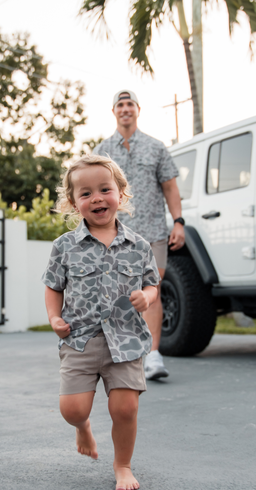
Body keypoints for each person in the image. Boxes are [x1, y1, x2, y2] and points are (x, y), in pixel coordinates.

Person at [42, 155, 160, 490]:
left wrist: (147, 297)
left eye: (104, 189)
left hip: (126, 338)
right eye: (85, 193)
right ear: (73, 202)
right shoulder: (64, 247)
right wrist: (54, 317)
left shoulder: (138, 246)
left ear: (120, 195)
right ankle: (83, 427)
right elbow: (53, 286)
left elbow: (153, 283)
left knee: (126, 408)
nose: (96, 198)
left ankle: (122, 464)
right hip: (79, 338)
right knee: (72, 409)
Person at [93, 90, 185, 380]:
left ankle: (153, 355)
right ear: (114, 112)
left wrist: (179, 222)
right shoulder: (102, 150)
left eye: (129, 104)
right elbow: (92, 191)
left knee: (151, 291)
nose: (125, 109)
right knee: (117, 294)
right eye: (120, 105)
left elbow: (170, 187)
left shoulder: (156, 148)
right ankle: (122, 352)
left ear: (138, 110)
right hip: (113, 234)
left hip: (153, 233)